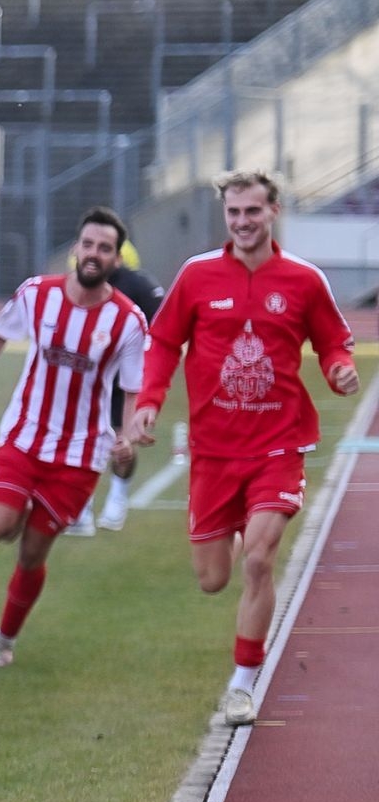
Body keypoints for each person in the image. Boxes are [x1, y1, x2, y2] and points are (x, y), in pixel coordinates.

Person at [126, 170, 359, 725]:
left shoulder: (303, 280)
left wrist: (340, 370)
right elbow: (164, 341)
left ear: (274, 210)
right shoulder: (197, 274)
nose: (242, 222)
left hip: (279, 445)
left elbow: (333, 344)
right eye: (233, 212)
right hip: (213, 450)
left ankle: (242, 683)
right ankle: (234, 532)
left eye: (253, 211)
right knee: (213, 579)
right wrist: (149, 399)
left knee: (259, 559)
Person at [0, 207, 149, 666]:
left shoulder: (127, 321)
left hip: (79, 455)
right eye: (88, 244)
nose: (94, 253)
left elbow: (132, 387)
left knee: (33, 553)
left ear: (117, 259)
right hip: (24, 436)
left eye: (105, 248)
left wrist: (127, 435)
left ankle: (3, 642)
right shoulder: (37, 293)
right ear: (76, 248)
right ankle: (17, 508)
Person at [73, 252, 166, 534]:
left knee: (121, 438)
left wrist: (146, 362)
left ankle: (117, 495)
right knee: (81, 439)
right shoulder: (77, 282)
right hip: (88, 373)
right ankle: (82, 505)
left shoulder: (137, 284)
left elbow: (163, 324)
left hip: (124, 377)